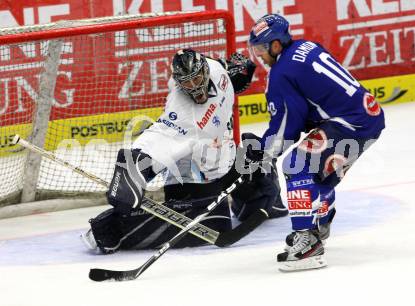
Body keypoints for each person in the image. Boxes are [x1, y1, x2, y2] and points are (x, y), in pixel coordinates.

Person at [81, 49, 286, 253]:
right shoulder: (183, 112)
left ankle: (249, 204)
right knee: (215, 224)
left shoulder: (215, 70)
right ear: (179, 83)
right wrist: (132, 168)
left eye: (196, 79)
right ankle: (112, 227)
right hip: (191, 175)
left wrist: (239, 70)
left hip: (223, 159)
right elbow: (160, 137)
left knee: (262, 182)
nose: (194, 87)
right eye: (186, 83)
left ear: (205, 70)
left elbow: (227, 67)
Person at [246, 14, 385, 271]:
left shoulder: (280, 73)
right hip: (367, 118)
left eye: (262, 49)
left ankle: (308, 241)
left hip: (350, 123)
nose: (260, 56)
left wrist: (263, 154)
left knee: (296, 164)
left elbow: (287, 124)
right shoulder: (305, 46)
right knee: (318, 170)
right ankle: (320, 221)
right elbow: (314, 98)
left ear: (277, 45)